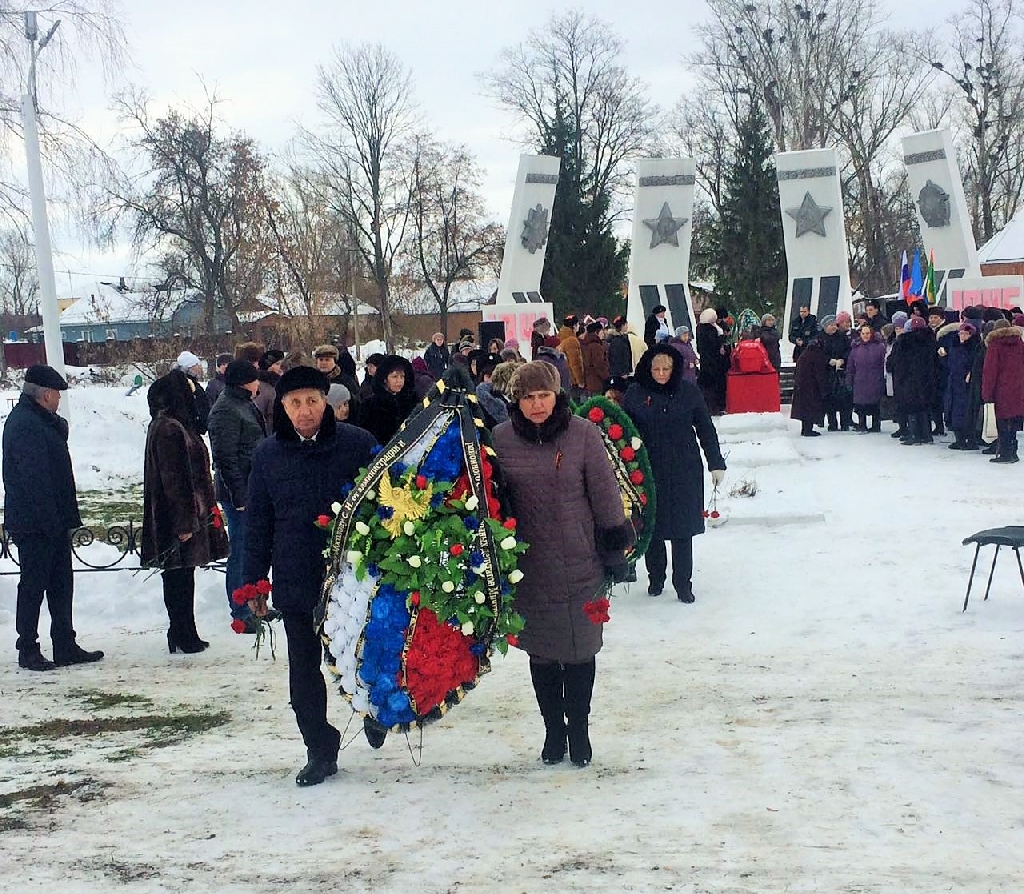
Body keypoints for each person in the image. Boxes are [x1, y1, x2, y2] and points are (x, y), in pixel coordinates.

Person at [492, 361, 632, 767]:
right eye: (528, 397)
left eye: (544, 396)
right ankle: (554, 730)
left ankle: (580, 730)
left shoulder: (582, 434)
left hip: (580, 564)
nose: (537, 405)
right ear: (516, 400)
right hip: (530, 567)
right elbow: (494, 502)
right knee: (543, 654)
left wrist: (613, 548)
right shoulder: (501, 439)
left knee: (580, 652)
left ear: (557, 396)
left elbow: (605, 494)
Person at [244, 366, 377, 786]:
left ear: (328, 402)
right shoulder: (267, 455)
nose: (305, 412)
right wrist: (253, 582)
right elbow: (258, 524)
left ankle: (376, 709)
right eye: (296, 403)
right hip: (296, 577)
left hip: (351, 578)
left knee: (362, 656)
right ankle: (319, 748)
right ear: (282, 407)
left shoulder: (357, 444)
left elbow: (386, 502)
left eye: (313, 401)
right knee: (303, 670)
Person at [2, 365, 103, 671]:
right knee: (33, 585)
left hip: (53, 520)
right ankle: (28, 647)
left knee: (61, 584)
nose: (58, 399)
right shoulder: (24, 425)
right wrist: (49, 522)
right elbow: (34, 480)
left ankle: (64, 643)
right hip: (35, 523)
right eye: (57, 393)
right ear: (45, 395)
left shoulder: (42, 422)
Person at [624, 346, 726, 603]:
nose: (661, 374)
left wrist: (716, 462)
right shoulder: (636, 393)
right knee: (652, 527)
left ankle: (683, 583)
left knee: (683, 528)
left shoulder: (688, 392)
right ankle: (655, 578)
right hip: (648, 469)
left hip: (684, 468)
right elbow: (623, 429)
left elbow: (705, 427)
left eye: (666, 369)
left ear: (674, 369)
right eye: (656, 369)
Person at [142, 369, 228, 654]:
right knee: (177, 576)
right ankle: (181, 631)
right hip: (175, 518)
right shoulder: (169, 429)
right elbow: (175, 479)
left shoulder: (175, 425)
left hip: (182, 515)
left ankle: (183, 630)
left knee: (182, 575)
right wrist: (184, 522)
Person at [207, 360, 267, 629]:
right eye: (255, 379)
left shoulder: (243, 403)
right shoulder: (226, 410)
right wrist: (240, 496)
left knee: (254, 549)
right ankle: (240, 607)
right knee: (241, 551)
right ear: (245, 381)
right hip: (239, 494)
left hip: (253, 487)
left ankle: (256, 602)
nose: (259, 384)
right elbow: (225, 457)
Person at [887, 316, 938, 445]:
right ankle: (927, 435)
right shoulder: (931, 340)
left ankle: (914, 435)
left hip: (908, 379)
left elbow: (893, 362)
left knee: (912, 407)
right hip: (927, 379)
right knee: (924, 407)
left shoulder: (903, 342)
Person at [981, 318, 1024, 463]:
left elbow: (990, 371)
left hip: (1001, 390)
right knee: (1013, 421)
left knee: (1002, 422)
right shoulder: (1020, 343)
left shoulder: (994, 345)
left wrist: (987, 394)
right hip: (1019, 389)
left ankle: (1005, 453)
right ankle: (1013, 452)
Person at [359, 354, 417, 445]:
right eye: (394, 377)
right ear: (385, 379)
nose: (399, 381)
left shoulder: (412, 401)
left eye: (402, 376)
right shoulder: (370, 405)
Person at [945, 322, 982, 450]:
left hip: (967, 384)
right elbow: (950, 363)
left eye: (966, 334)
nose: (963, 336)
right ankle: (959, 439)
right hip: (954, 382)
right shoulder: (954, 345)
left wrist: (970, 373)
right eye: (961, 333)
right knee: (955, 410)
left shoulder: (974, 347)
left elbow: (975, 363)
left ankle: (971, 440)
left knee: (968, 411)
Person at [845, 323, 886, 432]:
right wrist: (849, 380)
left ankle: (876, 424)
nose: (865, 336)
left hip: (875, 380)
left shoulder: (880, 347)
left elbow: (883, 364)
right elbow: (850, 366)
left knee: (875, 404)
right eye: (863, 333)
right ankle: (862, 424)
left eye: (867, 333)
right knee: (860, 404)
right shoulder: (855, 348)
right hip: (860, 381)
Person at [790, 335, 830, 436]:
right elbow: (819, 373)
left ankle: (805, 429)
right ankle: (808, 430)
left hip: (802, 386)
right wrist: (823, 387)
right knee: (810, 408)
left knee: (804, 409)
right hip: (811, 387)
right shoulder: (816, 355)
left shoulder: (805, 354)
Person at [819, 315, 853, 431]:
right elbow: (818, 354)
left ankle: (845, 423)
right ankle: (832, 423)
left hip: (841, 371)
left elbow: (848, 350)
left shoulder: (842, 336)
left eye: (834, 324)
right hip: (827, 372)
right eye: (831, 325)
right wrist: (829, 361)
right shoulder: (820, 338)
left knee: (844, 398)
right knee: (830, 399)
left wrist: (843, 359)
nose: (834, 327)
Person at [696, 307, 729, 414]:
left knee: (709, 385)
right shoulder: (709, 329)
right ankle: (714, 407)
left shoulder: (700, 328)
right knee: (712, 386)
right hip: (712, 361)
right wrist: (722, 339)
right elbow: (713, 343)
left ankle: (713, 407)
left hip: (707, 361)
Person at [175, 350, 211, 435]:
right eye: (196, 365)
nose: (199, 368)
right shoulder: (188, 386)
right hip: (190, 431)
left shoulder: (191, 385)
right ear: (189, 367)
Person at [557, 315, 585, 397]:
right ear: (574, 326)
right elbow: (575, 363)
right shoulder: (572, 341)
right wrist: (580, 381)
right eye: (578, 324)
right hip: (572, 381)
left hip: (563, 377)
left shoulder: (560, 337)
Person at [580, 320, 610, 396]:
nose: (603, 333)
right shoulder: (596, 346)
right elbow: (599, 365)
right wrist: (606, 377)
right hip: (597, 382)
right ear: (596, 332)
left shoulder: (585, 344)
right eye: (601, 331)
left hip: (588, 381)